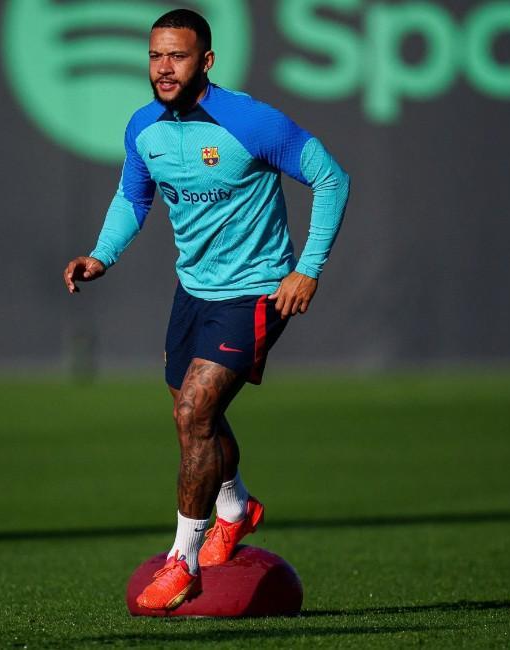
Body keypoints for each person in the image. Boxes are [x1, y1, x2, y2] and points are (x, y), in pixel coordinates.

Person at [62, 8, 350, 608]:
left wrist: (307, 270)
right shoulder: (144, 127)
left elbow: (331, 179)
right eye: (155, 56)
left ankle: (183, 561)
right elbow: (132, 196)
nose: (164, 69)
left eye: (178, 56)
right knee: (189, 417)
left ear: (207, 61)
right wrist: (101, 255)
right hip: (193, 289)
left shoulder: (250, 122)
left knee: (196, 410)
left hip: (257, 289)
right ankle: (235, 508)